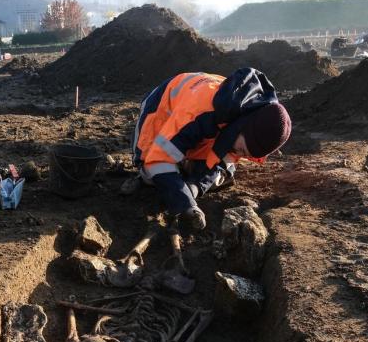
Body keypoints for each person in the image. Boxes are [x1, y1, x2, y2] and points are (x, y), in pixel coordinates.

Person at [123, 68, 292, 229]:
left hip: (208, 124)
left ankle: (184, 167)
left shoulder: (247, 118)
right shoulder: (199, 113)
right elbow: (158, 159)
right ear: (240, 128)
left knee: (216, 172)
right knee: (151, 172)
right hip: (160, 108)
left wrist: (195, 187)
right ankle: (156, 172)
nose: (239, 155)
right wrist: (185, 204)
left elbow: (220, 161)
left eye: (244, 154)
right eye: (242, 150)